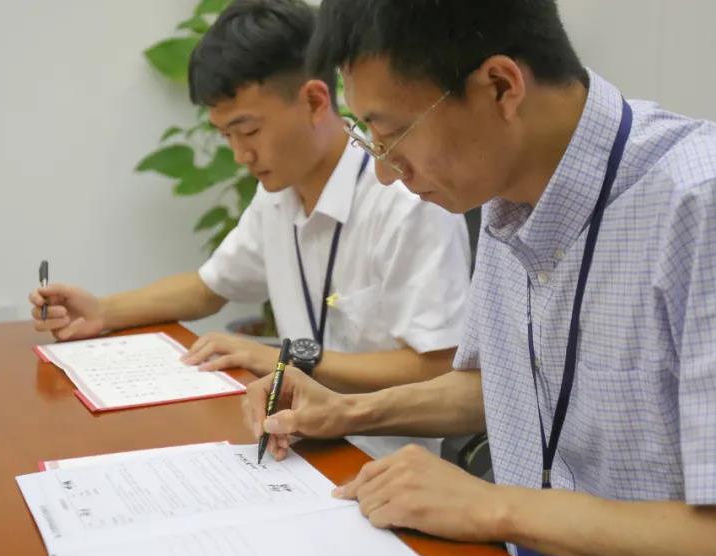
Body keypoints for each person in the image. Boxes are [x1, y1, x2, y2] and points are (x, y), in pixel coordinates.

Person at [241, 0, 716, 556]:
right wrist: (348, 412)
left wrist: (496, 508)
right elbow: (500, 385)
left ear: (500, 86)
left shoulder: (711, 202)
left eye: (393, 133)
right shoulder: (508, 195)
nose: (383, 169)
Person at [29, 0, 470, 459]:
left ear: (315, 101)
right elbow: (209, 287)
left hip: (384, 459)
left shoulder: (406, 202)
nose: (241, 155)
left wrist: (286, 359)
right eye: (226, 135)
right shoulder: (278, 194)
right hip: (296, 446)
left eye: (249, 130)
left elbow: (437, 368)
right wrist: (102, 311)